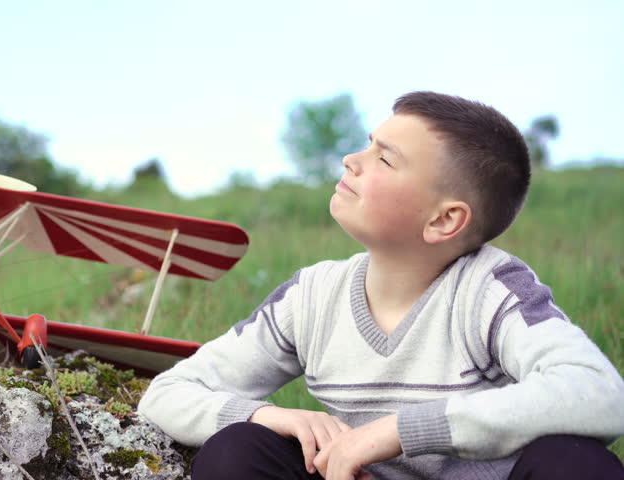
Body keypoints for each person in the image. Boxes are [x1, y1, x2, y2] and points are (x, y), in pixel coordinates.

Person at [137, 91, 624, 479]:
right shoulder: (313, 295)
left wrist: (397, 431)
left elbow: (599, 392)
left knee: (575, 464)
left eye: (385, 160)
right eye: (366, 144)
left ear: (444, 220)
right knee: (238, 450)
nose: (351, 159)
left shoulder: (489, 289)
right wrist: (267, 416)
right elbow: (168, 393)